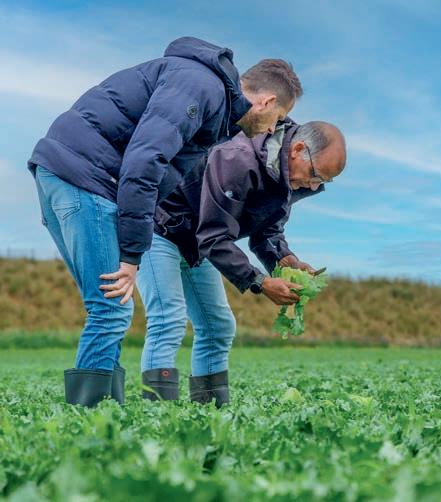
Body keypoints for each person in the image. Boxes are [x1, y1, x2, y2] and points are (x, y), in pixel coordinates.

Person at [28, 37, 303, 407]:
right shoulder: (201, 87)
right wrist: (131, 255)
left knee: (107, 307)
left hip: (66, 173)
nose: (273, 130)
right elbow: (145, 163)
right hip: (83, 177)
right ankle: (88, 421)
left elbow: (154, 173)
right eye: (278, 119)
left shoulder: (213, 106)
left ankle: (103, 414)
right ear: (266, 101)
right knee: (111, 308)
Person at [137, 120, 346, 407]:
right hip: (161, 227)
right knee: (168, 320)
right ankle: (155, 413)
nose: (313, 185)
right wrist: (259, 281)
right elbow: (214, 235)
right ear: (298, 149)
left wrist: (286, 260)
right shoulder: (237, 158)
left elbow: (267, 232)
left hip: (197, 243)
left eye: (323, 182)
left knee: (218, 326)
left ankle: (209, 412)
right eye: (314, 175)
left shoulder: (288, 177)